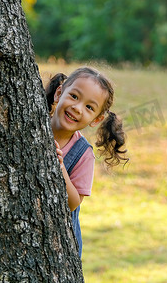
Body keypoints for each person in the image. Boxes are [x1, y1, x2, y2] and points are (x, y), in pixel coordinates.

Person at [45, 66, 128, 258]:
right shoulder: (31, 123)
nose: (77, 108)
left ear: (96, 119)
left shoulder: (83, 154)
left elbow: (73, 203)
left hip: (59, 245)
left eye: (89, 107)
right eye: (74, 96)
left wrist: (60, 168)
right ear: (59, 92)